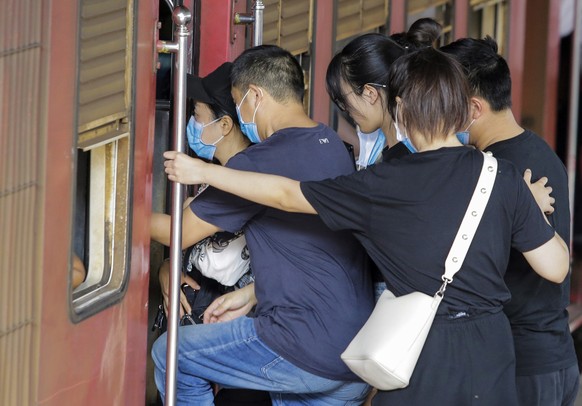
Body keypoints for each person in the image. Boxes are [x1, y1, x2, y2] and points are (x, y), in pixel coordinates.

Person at [162, 47, 571, 405]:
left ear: (402, 112)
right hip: (492, 352)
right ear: (462, 110)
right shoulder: (502, 175)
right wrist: (524, 213)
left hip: (422, 352)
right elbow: (555, 267)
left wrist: (206, 172)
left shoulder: (382, 184)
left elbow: (287, 195)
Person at [152, 45, 373, 405]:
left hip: (301, 345)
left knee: (171, 353)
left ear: (254, 96)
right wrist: (254, 293)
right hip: (354, 349)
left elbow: (182, 232)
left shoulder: (258, 161)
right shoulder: (329, 141)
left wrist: (117, 214)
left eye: (239, 102)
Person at [441, 37, 579, 406]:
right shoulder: (536, 150)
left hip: (521, 362)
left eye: (443, 102)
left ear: (472, 107)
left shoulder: (495, 171)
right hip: (551, 357)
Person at [151, 62, 271, 406]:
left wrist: (118, 214)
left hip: (247, 326)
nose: (193, 122)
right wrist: (168, 267)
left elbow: (179, 232)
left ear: (225, 124)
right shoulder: (220, 173)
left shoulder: (240, 178)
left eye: (198, 113)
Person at [326, 18, 442, 166]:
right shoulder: (400, 144)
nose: (345, 108)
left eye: (344, 99)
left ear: (370, 93)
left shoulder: (405, 159)